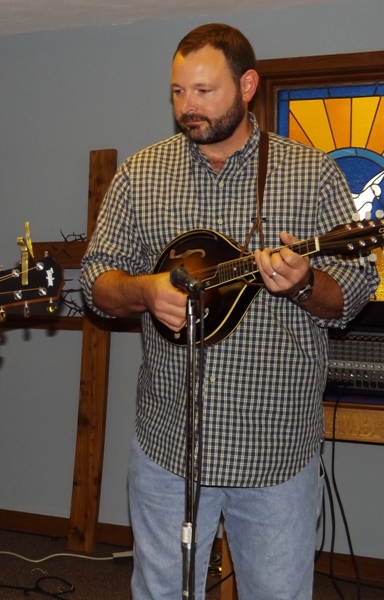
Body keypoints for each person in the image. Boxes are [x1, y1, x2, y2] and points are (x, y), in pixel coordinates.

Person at [80, 23, 378, 600]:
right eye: (177, 91)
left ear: (246, 86)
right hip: (169, 443)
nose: (186, 107)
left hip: (273, 450)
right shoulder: (141, 174)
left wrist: (304, 284)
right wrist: (145, 291)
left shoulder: (311, 174)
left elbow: (354, 290)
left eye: (203, 90)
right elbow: (97, 281)